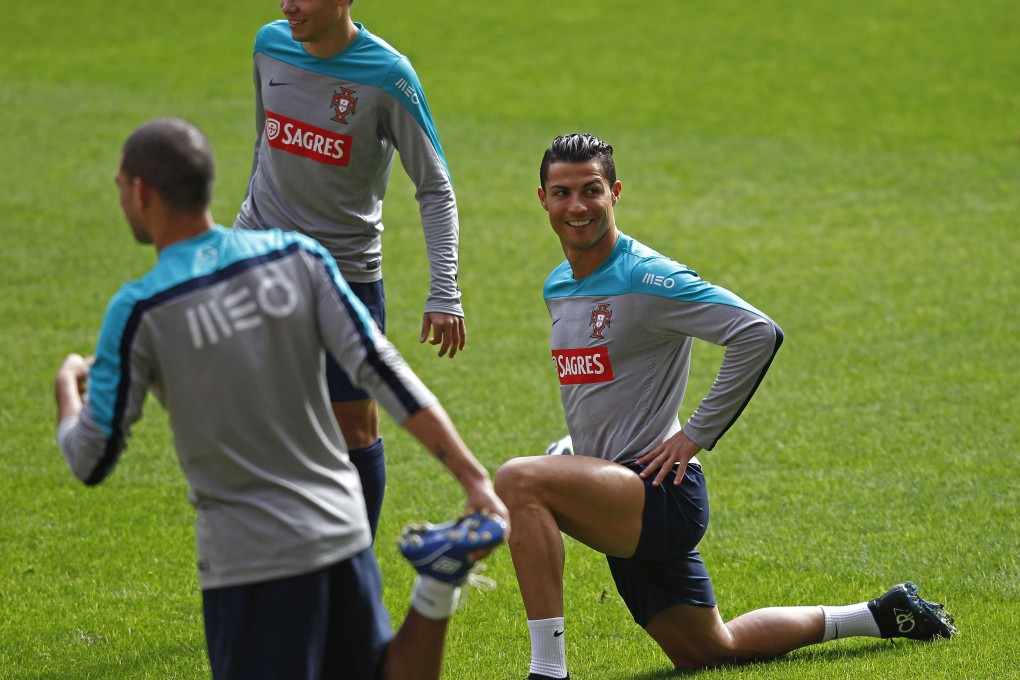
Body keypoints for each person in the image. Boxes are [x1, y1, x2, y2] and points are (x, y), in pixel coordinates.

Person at [54, 117, 508, 680]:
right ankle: (436, 588)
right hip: (341, 530)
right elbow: (381, 369)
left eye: (121, 186)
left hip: (251, 561)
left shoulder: (141, 309)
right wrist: (471, 476)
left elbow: (90, 458)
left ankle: (437, 586)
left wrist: (66, 394)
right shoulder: (298, 258)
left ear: (141, 191)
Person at [493, 133, 957, 679]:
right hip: (616, 491)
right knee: (712, 650)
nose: (577, 206)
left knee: (519, 480)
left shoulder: (648, 277)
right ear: (542, 199)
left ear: (615, 193)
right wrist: (579, 454)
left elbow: (756, 333)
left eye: (591, 190)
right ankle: (881, 614)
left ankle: (548, 672)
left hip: (656, 493)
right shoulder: (558, 285)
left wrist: (694, 435)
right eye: (562, 192)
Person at [234, 0, 467, 538]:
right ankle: (277, 552)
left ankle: (351, 570)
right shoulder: (268, 45)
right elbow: (263, 141)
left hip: (344, 277)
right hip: (260, 259)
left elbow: (434, 187)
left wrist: (444, 290)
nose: (288, 6)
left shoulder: (387, 75)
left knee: (354, 429)